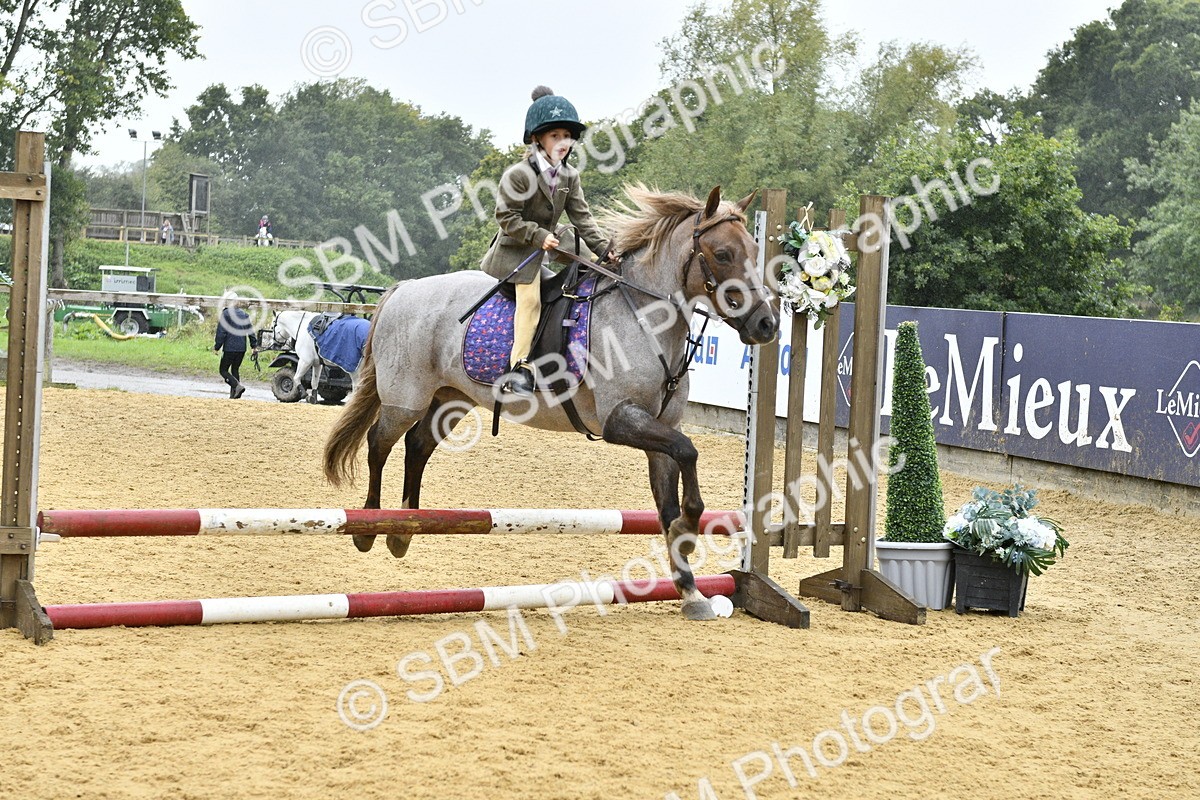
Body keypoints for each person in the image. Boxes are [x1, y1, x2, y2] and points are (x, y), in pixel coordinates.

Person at [479, 86, 616, 396]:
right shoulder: (517, 174)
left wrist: (606, 251)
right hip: (517, 250)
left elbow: (583, 218)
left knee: (601, 271)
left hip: (555, 243)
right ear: (537, 138)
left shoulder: (570, 176)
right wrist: (539, 236)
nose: (563, 143)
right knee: (531, 300)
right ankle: (519, 368)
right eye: (555, 136)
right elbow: (506, 218)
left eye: (567, 136)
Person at [214, 294, 259, 399]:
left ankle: (237, 386)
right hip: (241, 348)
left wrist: (217, 347)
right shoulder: (244, 315)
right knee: (235, 369)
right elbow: (250, 331)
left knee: (223, 370)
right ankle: (234, 396)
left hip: (230, 348)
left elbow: (221, 332)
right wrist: (254, 346)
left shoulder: (225, 314)